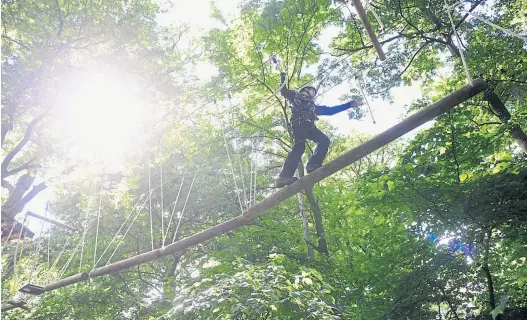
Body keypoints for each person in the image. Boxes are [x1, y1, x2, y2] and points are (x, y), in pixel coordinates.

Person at [275, 72, 360, 187]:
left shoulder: (312, 106)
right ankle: (284, 177)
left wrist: (348, 105)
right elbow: (284, 91)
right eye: (312, 91)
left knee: (324, 140)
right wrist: (283, 78)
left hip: (309, 127)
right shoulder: (295, 96)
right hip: (299, 124)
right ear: (305, 90)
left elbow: (330, 111)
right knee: (299, 146)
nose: (314, 94)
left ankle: (313, 165)